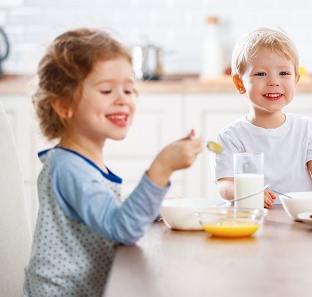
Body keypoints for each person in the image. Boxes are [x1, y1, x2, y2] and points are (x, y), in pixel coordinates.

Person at [23, 28, 203, 296]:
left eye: (129, 90)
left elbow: (105, 212)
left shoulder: (80, 161)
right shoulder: (69, 167)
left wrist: (154, 206)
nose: (122, 99)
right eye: (107, 90)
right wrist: (161, 169)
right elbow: (121, 228)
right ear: (63, 106)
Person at [210, 27, 312, 208]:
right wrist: (242, 192)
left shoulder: (305, 128)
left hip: (298, 219)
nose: (274, 82)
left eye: (284, 73)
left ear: (296, 79)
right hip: (252, 219)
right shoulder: (230, 136)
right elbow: (225, 183)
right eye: (261, 74)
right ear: (240, 83)